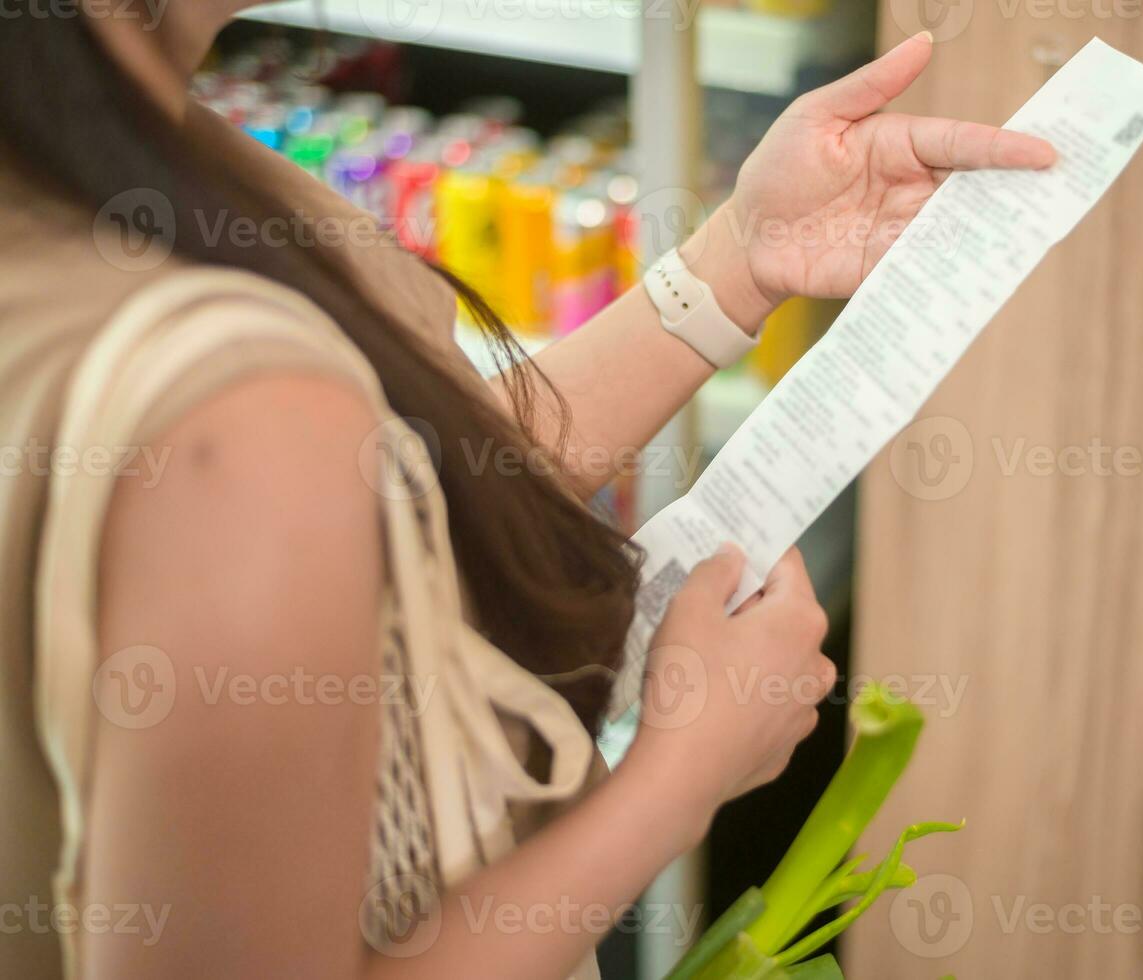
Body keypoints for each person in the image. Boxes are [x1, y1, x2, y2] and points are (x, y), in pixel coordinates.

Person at [0, 6, 1054, 978]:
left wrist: (740, 260)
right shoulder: (234, 412)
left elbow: (396, 492)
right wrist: (678, 772)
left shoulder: (107, 150)